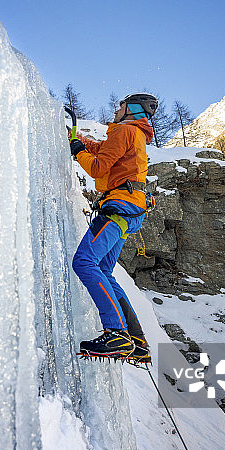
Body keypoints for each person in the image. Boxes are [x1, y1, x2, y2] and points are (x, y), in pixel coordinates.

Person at [68, 93, 157, 363]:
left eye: (120, 106)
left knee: (84, 262)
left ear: (130, 109)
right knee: (104, 271)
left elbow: (97, 167)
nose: (116, 110)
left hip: (118, 208)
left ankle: (117, 332)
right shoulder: (135, 134)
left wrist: (77, 151)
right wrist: (80, 141)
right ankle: (137, 340)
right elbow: (104, 152)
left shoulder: (125, 131)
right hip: (130, 211)